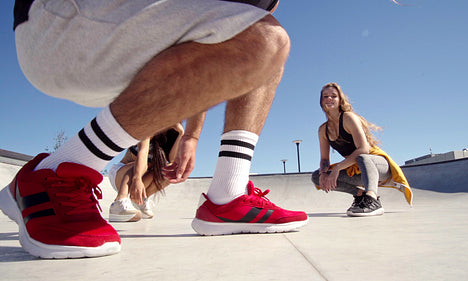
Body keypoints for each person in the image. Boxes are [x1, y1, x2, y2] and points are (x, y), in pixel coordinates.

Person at [0, 0, 308, 259]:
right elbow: (144, 144)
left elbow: (219, 33)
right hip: (63, 20)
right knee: (264, 36)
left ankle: (228, 194)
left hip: (121, 46)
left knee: (264, 40)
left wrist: (191, 135)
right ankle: (59, 171)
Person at [311, 82, 413, 217]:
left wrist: (337, 168)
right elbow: (324, 159)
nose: (329, 99)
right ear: (321, 101)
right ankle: (361, 196)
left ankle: (372, 200)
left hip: (377, 166)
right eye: (326, 96)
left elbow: (364, 149)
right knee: (316, 176)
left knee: (363, 157)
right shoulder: (323, 130)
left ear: (340, 100)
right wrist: (324, 173)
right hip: (356, 169)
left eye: (333, 96)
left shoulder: (348, 118)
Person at [108, 124, 184, 222]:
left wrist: (181, 134)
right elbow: (142, 152)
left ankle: (140, 201)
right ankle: (119, 201)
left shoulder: (172, 135)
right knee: (138, 165)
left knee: (172, 170)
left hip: (143, 175)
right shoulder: (150, 127)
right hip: (122, 175)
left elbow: (172, 159)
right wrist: (137, 178)